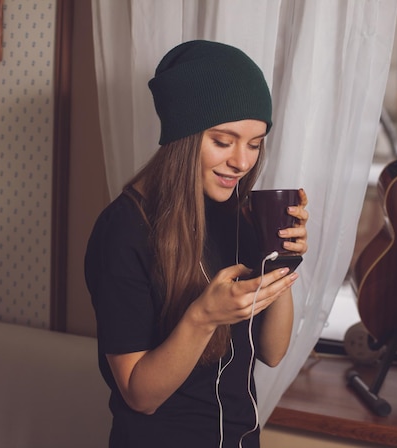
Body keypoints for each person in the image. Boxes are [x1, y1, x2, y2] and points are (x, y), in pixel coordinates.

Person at [84, 40, 309, 448]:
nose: (243, 161)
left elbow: (272, 352)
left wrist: (281, 260)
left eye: (255, 143)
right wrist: (203, 317)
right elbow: (140, 395)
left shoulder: (236, 215)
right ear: (183, 136)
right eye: (223, 141)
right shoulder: (123, 231)